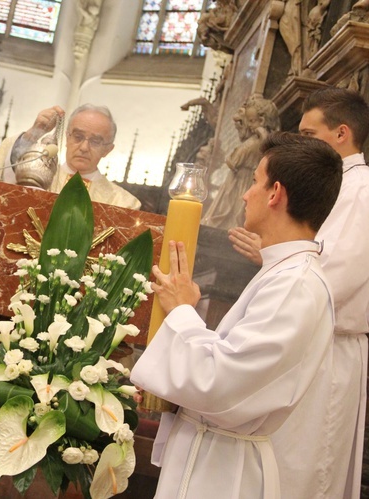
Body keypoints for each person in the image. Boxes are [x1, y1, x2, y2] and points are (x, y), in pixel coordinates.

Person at [131, 132, 343, 498]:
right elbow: (238, 363)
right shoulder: (282, 273)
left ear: (275, 193)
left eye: (254, 182)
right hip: (212, 456)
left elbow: (222, 383)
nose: (245, 194)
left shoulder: (295, 285)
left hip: (223, 475)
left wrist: (182, 311)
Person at [229, 87, 369, 498]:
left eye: (309, 134)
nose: (299, 142)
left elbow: (336, 280)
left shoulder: (360, 191)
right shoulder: (338, 184)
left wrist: (274, 253)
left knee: (306, 469)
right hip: (307, 340)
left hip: (328, 347)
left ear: (342, 133)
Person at [0, 104, 141, 209]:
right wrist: (34, 133)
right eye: (78, 137)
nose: (84, 147)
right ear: (67, 137)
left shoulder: (123, 203)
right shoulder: (33, 175)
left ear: (108, 150)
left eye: (95, 141)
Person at [202, 94, 280, 230]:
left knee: (233, 207)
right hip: (244, 180)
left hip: (240, 182)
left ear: (261, 121)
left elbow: (232, 162)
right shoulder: (258, 143)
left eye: (250, 120)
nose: (247, 125)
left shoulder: (252, 144)